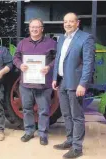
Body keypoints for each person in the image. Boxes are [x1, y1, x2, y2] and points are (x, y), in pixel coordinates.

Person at [52, 13, 95, 158]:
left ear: (78, 23)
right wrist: (54, 78)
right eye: (65, 22)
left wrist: (83, 84)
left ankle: (77, 147)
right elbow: (58, 58)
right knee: (66, 114)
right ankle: (70, 140)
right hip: (62, 81)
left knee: (77, 116)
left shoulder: (86, 38)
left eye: (71, 21)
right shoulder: (62, 38)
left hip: (76, 83)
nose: (68, 24)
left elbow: (89, 63)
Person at [13, 18, 56, 145]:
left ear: (42, 28)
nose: (34, 29)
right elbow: (16, 57)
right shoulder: (22, 43)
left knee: (44, 110)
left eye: (37, 27)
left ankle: (43, 133)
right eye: (32, 27)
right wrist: (20, 65)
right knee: (27, 109)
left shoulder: (51, 43)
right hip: (26, 84)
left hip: (44, 85)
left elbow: (57, 59)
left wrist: (49, 67)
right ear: (29, 28)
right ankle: (29, 131)